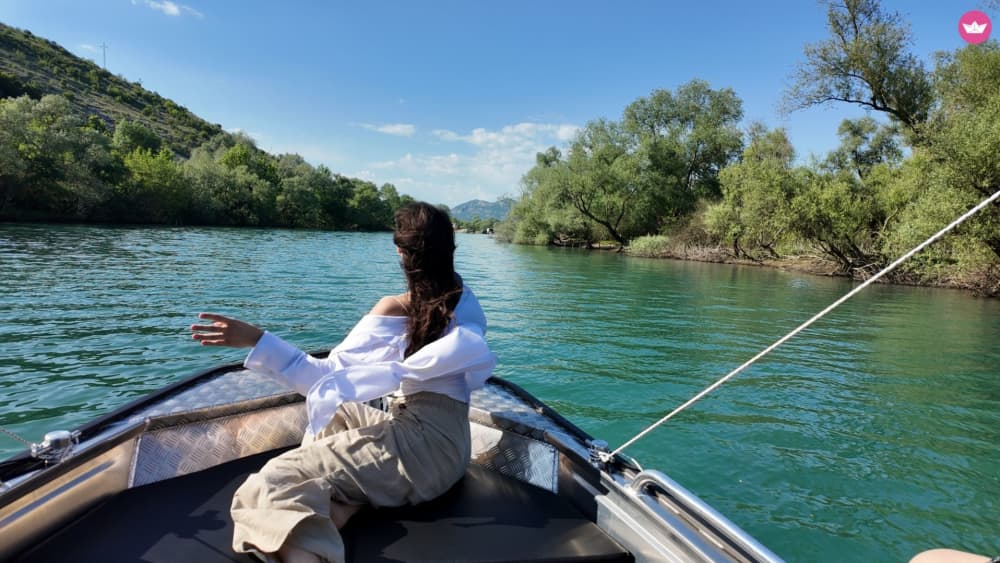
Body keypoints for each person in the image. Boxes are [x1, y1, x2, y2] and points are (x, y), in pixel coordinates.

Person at [189, 202, 497, 563]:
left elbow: (323, 378)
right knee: (338, 413)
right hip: (453, 448)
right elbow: (335, 394)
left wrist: (256, 339)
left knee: (269, 484)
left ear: (400, 252)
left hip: (420, 457)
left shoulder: (396, 308)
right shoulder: (464, 298)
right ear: (450, 249)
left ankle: (307, 531)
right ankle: (339, 506)